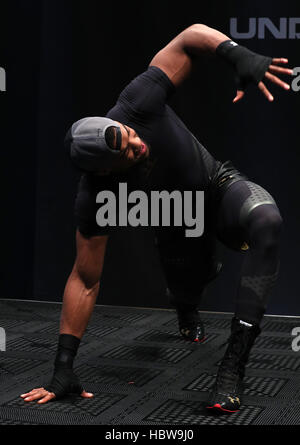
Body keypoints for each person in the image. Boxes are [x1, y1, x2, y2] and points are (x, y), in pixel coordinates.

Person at [20, 23, 292, 413]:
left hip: (217, 186)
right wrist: (63, 368)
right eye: (128, 153)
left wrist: (239, 54)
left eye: (129, 135)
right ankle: (185, 303)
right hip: (177, 221)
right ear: (104, 172)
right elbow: (84, 279)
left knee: (267, 221)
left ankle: (232, 368)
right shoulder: (96, 197)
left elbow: (190, 37)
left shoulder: (136, 103)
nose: (138, 143)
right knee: (190, 281)